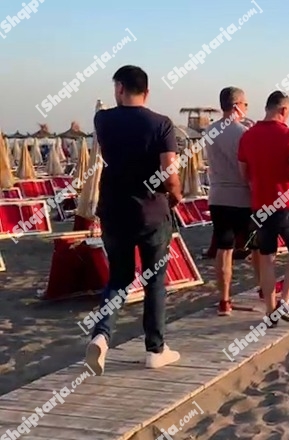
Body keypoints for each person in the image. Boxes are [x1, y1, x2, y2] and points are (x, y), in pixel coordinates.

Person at [86, 65, 181, 374]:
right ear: (148, 92)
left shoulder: (103, 120)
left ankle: (101, 336)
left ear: (119, 89)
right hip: (151, 213)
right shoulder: (162, 124)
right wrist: (176, 196)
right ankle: (155, 349)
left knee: (118, 278)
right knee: (155, 280)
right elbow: (169, 171)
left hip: (113, 209)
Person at [238, 91, 289, 325]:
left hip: (260, 204)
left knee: (266, 257)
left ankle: (269, 309)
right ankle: (284, 301)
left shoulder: (248, 136)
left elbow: (243, 172)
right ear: (284, 110)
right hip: (286, 203)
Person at [205, 87, 252, 316]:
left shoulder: (209, 131)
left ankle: (224, 300)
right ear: (236, 106)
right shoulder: (243, 132)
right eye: (245, 105)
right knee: (257, 246)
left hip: (217, 196)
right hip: (241, 196)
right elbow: (248, 168)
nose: (246, 109)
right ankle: (265, 289)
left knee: (224, 248)